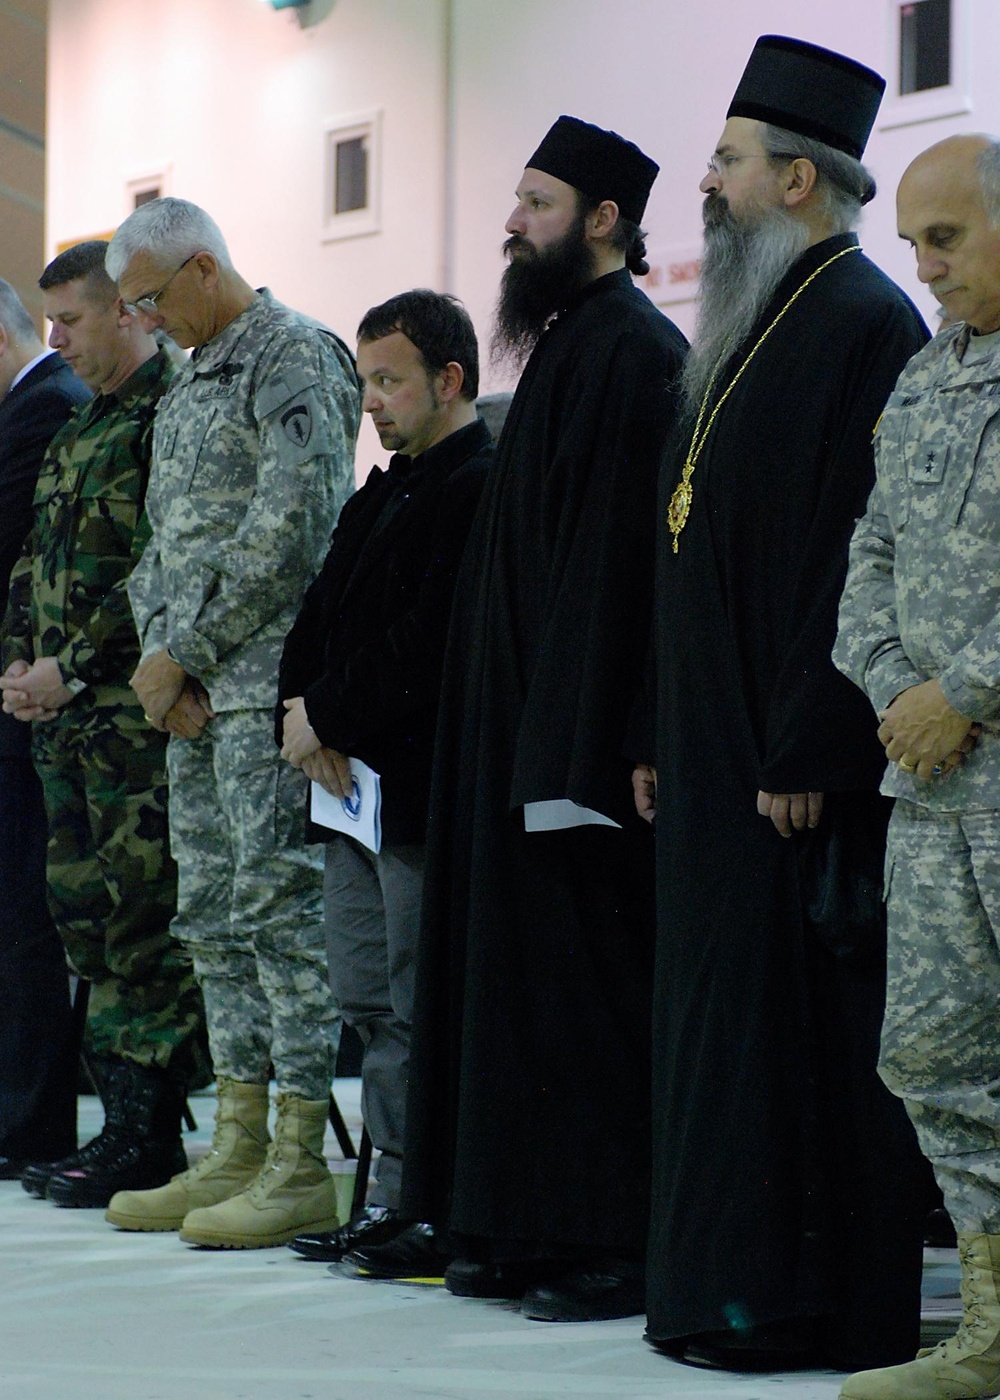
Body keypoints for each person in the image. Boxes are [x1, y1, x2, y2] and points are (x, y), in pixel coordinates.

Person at [636, 36, 931, 1372]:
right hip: (715, 755)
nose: (709, 184)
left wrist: (810, 738)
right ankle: (721, 1287)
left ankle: (797, 1301)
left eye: (729, 163)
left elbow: (855, 559)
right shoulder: (763, 315)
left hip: (789, 765)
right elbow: (696, 548)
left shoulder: (867, 321)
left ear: (799, 180)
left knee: (795, 1037)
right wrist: (658, 730)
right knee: (721, 1027)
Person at [396, 116, 687, 1320]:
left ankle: (608, 1239)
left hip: (570, 751)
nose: (511, 222)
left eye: (536, 201)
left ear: (603, 219)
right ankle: (515, 1221)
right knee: (510, 989)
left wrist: (579, 747)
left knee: (582, 998)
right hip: (512, 739)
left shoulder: (634, 349)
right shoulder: (570, 341)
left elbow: (617, 575)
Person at [102, 198, 360, 1249]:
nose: (149, 323)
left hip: (262, 692)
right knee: (211, 919)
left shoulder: (290, 357)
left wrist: (189, 651)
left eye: (153, 300)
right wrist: (159, 657)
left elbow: (292, 526)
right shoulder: (187, 377)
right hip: (194, 699)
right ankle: (238, 1143)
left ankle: (300, 1160)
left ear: (202, 267)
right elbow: (162, 537)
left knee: (281, 922)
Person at [275, 290, 493, 1267]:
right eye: (365, 380)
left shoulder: (474, 483)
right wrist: (298, 709)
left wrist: (328, 712)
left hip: (408, 784)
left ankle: (414, 1198)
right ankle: (377, 1190)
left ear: (448, 379)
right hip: (344, 783)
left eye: (388, 380)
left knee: (411, 1000)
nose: (371, 401)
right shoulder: (384, 486)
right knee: (364, 998)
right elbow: (319, 609)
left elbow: (430, 638)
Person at [834, 133, 1000, 1400]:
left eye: (945, 238)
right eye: (912, 242)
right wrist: (897, 688)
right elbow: (866, 565)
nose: (923, 266)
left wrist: (969, 689)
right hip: (931, 785)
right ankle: (990, 1320)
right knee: (932, 1051)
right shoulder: (922, 382)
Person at [0, 242, 209, 1209]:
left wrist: (70, 671)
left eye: (73, 321)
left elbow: (159, 571)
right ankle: (118, 1127)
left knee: (144, 923)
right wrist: (19, 668)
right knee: (91, 928)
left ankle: (146, 1135)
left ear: (126, 312)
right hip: (64, 731)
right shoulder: (83, 431)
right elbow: (32, 568)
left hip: (130, 723)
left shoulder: (169, 417)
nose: (57, 341)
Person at [0, 278, 90, 1179]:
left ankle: (28, 1123)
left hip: (36, 701)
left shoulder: (47, 406)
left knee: (25, 923)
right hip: (24, 694)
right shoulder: (36, 404)